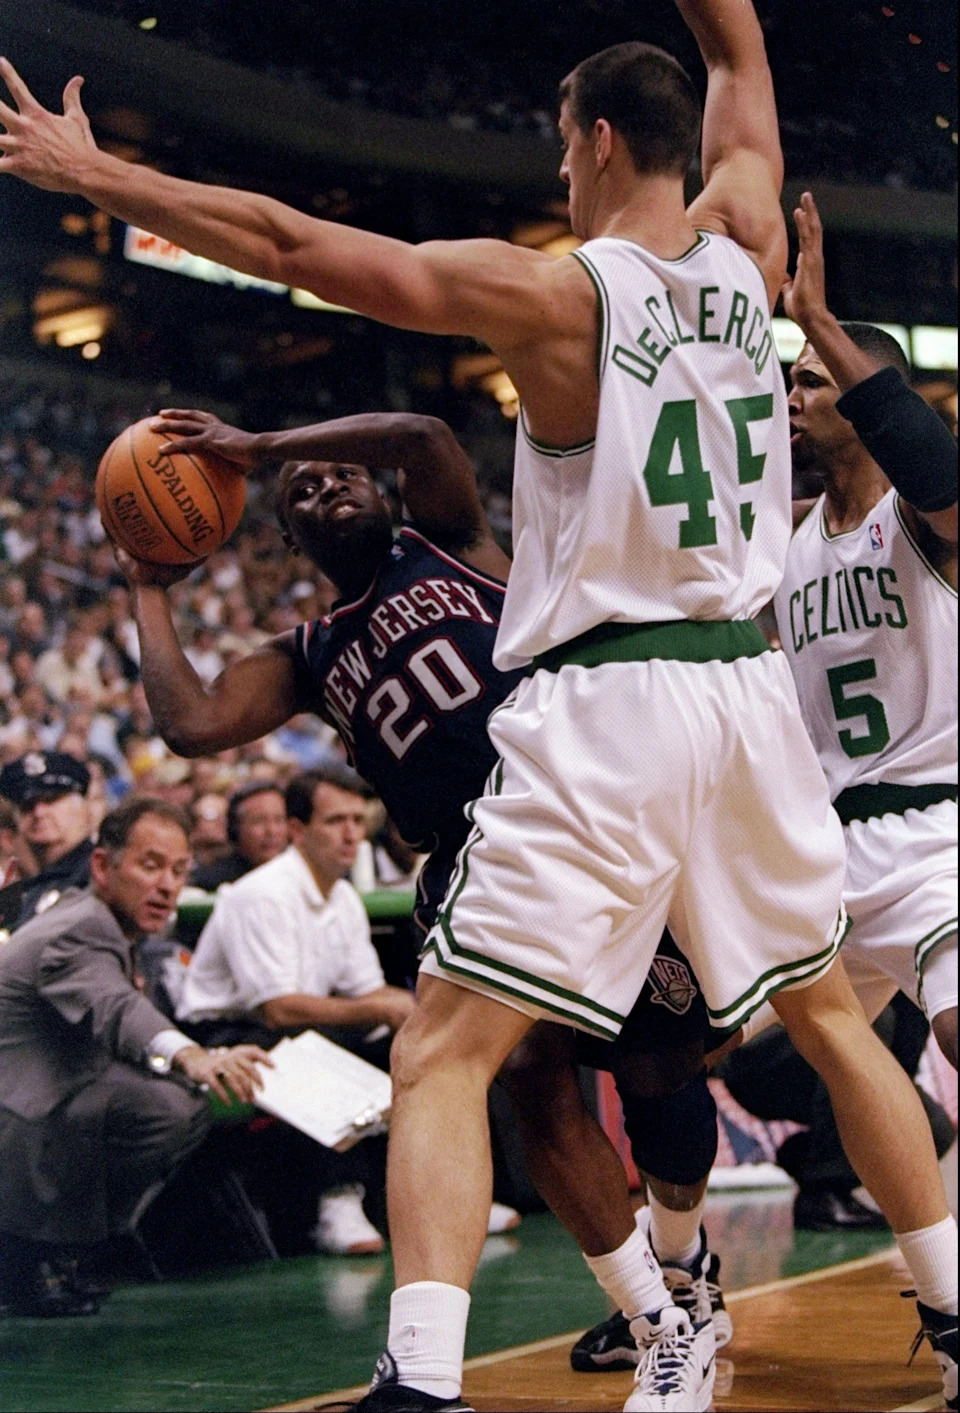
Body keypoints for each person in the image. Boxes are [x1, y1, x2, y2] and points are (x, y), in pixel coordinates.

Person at [3, 4, 955, 1406]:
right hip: (747, 693)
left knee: (449, 1042)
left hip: (612, 697)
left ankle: (423, 1379)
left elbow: (296, 248)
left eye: (562, 150)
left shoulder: (566, 294)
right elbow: (744, 66)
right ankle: (951, 1301)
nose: (557, 178)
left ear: (599, 139)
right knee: (825, 1014)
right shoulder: (752, 257)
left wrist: (109, 181)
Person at [143, 406, 732, 1349]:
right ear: (290, 538)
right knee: (531, 1084)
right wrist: (148, 586)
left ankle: (682, 1256)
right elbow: (193, 721)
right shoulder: (308, 653)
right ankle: (655, 1318)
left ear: (378, 493)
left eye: (341, 473)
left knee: (663, 1082)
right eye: (302, 493)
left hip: (577, 816)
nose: (325, 485)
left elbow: (424, 433)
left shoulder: (450, 543)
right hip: (465, 863)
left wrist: (266, 449)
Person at [775, 191, 957, 1075]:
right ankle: (665, 1221)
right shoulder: (786, 539)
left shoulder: (924, 522)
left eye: (811, 378)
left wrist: (819, 320)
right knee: (681, 1049)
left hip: (935, 832)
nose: (793, 394)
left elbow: (941, 474)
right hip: (827, 852)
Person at [0, 797, 269, 1316]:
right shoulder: (82, 926)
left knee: (175, 1100)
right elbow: (117, 1009)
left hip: (37, 1107)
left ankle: (56, 1251)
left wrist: (210, 1055)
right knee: (164, 1107)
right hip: (15, 1119)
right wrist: (192, 1055)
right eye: (150, 866)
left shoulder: (110, 928)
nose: (167, 885)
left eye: (178, 870)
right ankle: (36, 1252)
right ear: (102, 866)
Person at [179, 765, 413, 1257]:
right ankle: (338, 1203)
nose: (351, 834)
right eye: (335, 821)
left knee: (410, 1045)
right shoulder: (262, 894)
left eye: (357, 819)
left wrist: (398, 1012)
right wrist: (383, 1005)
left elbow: (366, 992)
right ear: (298, 831)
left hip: (297, 1024)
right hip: (222, 1032)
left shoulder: (345, 895)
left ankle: (415, 1197)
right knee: (314, 1050)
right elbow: (277, 1009)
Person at [0, 750, 95, 927]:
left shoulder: (98, 873)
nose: (39, 813)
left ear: (82, 807)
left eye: (51, 800)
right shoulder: (23, 892)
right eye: (27, 806)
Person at [189, 779, 288, 890]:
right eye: (258, 821)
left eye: (279, 820)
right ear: (235, 828)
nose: (271, 831)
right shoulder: (207, 883)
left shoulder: (298, 877)